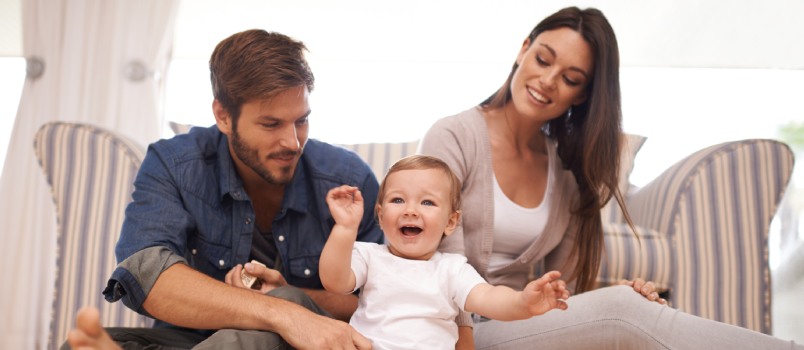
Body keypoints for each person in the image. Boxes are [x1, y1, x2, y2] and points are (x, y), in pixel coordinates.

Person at [418, 6, 803, 350]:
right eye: (543, 59)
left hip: (515, 326)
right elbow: (438, 266)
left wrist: (607, 306)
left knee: (627, 306)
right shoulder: (453, 137)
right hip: (453, 331)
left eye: (570, 78)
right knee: (622, 312)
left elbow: (562, 294)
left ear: (582, 95)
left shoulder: (566, 173)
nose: (548, 80)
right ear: (524, 49)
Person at [64, 29, 382, 350]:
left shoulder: (348, 178)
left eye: (301, 121)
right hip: (195, 340)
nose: (293, 142)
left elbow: (389, 298)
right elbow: (149, 275)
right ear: (224, 116)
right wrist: (279, 313)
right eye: (271, 124)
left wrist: (291, 301)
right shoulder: (176, 164)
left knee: (279, 309)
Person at [319, 155, 570, 349]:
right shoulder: (370, 256)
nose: (410, 210)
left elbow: (489, 298)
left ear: (450, 222)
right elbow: (334, 281)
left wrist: (521, 302)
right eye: (398, 200)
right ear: (381, 216)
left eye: (427, 202)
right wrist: (345, 228)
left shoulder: (452, 269)